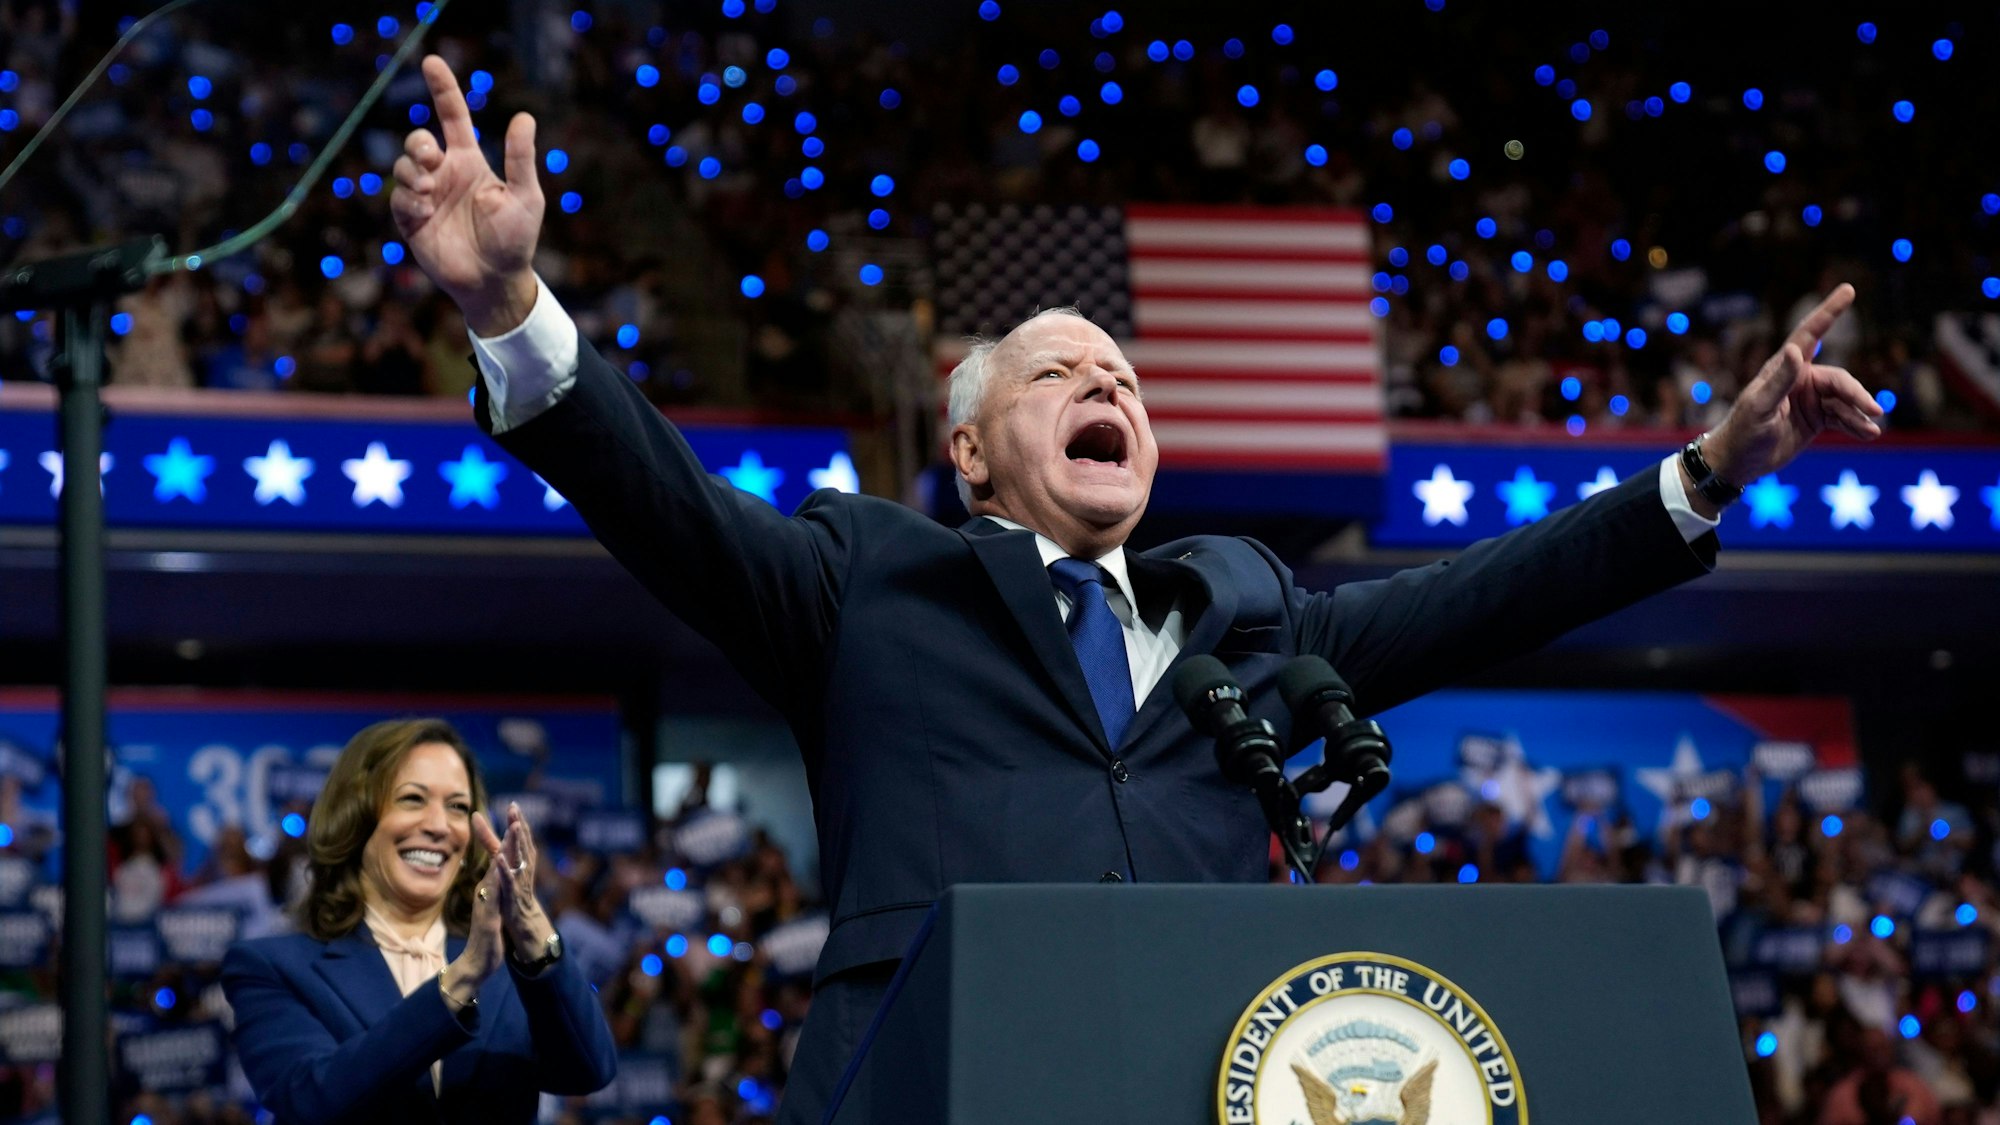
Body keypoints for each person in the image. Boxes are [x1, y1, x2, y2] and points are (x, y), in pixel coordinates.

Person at [388, 55, 1886, 1123]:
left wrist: (1706, 468)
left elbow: (1488, 594)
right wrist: (508, 306)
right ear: (969, 450)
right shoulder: (869, 575)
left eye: (1125, 377)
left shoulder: (1245, 611)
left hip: (1200, 1078)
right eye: (1062, 372)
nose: (1107, 381)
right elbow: (666, 501)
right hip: (935, 1083)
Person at [220, 718, 615, 1124]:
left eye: (458, 807)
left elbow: (588, 1070)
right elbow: (312, 1098)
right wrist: (460, 980)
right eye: (412, 799)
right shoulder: (270, 966)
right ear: (355, 816)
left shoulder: (517, 964)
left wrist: (532, 929)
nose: (438, 826)